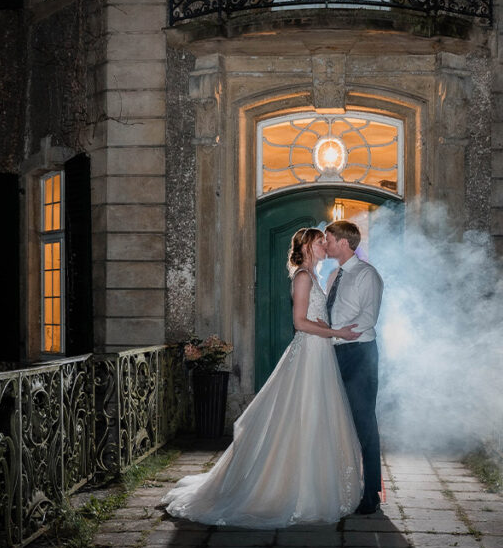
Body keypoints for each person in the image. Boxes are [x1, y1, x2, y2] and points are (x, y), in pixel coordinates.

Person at [162, 228, 364, 528]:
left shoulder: (314, 275)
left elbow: (311, 317)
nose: (325, 246)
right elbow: (299, 323)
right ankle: (288, 488)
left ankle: (315, 483)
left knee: (317, 416)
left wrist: (326, 326)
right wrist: (336, 332)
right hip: (309, 353)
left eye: (326, 241)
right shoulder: (303, 277)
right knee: (302, 414)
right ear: (307, 246)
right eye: (320, 242)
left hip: (319, 354)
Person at [323, 220, 384, 515]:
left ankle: (371, 493)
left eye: (329, 239)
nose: (326, 244)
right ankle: (341, 487)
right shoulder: (333, 274)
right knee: (335, 421)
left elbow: (367, 318)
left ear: (344, 243)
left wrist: (335, 333)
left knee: (364, 424)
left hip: (359, 354)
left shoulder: (367, 274)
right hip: (334, 351)